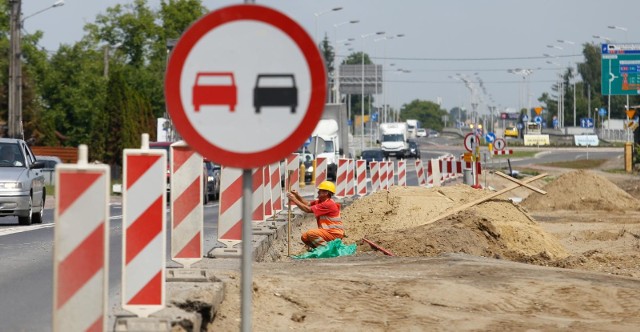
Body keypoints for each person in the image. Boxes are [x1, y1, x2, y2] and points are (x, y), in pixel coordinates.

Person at [287, 181, 344, 250]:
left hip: (334, 233)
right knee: (304, 237)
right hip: (327, 232)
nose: (318, 192)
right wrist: (297, 195)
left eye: (320, 191)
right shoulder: (322, 201)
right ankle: (317, 248)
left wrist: (294, 199)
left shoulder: (328, 204)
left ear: (326, 193)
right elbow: (308, 204)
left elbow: (307, 209)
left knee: (311, 233)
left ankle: (326, 249)